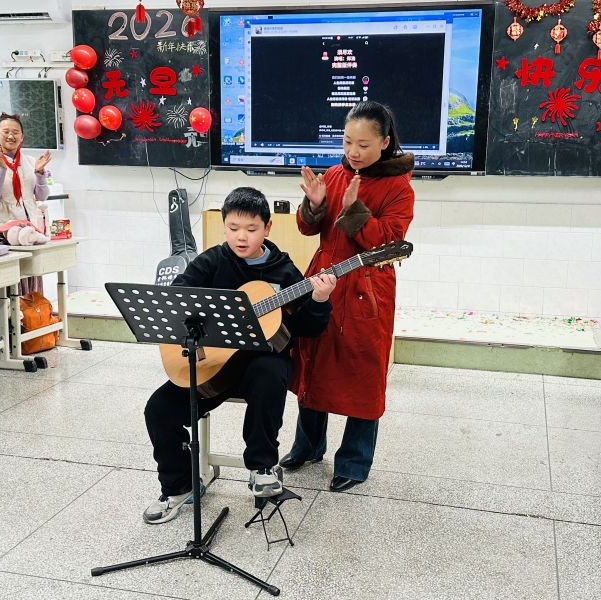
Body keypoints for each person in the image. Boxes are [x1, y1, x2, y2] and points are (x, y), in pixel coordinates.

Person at [142, 187, 336, 525]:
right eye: (233, 228)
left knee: (269, 372)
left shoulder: (283, 271)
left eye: (251, 229)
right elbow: (176, 303)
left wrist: (319, 300)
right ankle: (180, 485)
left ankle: (262, 467)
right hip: (213, 366)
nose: (241, 237)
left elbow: (307, 328)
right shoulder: (212, 261)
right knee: (158, 409)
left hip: (261, 365)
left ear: (268, 228)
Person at [283, 101, 415, 492]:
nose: (353, 152)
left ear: (385, 143)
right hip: (323, 280)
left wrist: (355, 210)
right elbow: (309, 229)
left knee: (363, 373)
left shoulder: (399, 186)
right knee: (313, 359)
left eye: (363, 145)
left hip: (366, 290)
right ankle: (308, 447)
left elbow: (390, 241)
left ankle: (355, 461)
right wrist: (315, 205)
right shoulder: (334, 173)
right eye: (347, 142)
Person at [0, 112, 51, 294]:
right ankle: (6, 314)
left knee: (29, 283)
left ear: (22, 137)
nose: (11, 136)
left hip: (26, 231)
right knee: (5, 286)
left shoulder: (30, 161)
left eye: (15, 132)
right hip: (0, 232)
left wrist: (39, 173)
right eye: (5, 132)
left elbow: (42, 196)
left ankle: (31, 312)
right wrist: (2, 168)